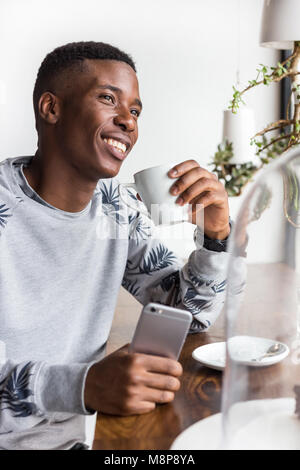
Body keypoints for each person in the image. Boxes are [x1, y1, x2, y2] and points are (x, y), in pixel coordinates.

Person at [0, 41, 230, 450]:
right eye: (109, 98)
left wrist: (215, 236)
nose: (128, 121)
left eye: (136, 111)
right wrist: (84, 386)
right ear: (51, 108)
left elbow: (190, 314)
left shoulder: (116, 207)